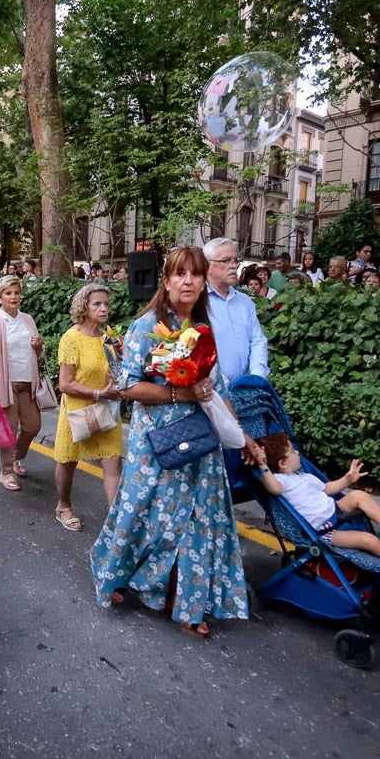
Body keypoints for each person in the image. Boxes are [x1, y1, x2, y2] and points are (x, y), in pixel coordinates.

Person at [90, 246, 250, 638]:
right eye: (180, 274)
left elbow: (220, 386)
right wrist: (181, 395)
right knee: (141, 513)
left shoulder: (205, 330)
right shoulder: (146, 327)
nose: (189, 281)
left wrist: (243, 435)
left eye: (195, 274)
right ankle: (116, 576)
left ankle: (191, 603)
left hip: (201, 442)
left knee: (199, 520)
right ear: (166, 281)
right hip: (157, 443)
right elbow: (127, 385)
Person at [252, 432, 380, 587]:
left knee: (359, 496)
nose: (297, 453)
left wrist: (347, 479)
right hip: (327, 530)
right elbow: (272, 488)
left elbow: (327, 489)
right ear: (282, 464)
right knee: (368, 540)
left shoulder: (304, 477)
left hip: (336, 510)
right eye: (292, 452)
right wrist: (262, 465)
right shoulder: (282, 481)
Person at [53, 283, 122, 532]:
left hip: (107, 409)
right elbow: (65, 384)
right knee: (68, 461)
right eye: (97, 304)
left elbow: (116, 370)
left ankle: (116, 521)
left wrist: (118, 385)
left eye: (106, 304)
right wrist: (96, 392)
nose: (104, 308)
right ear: (84, 307)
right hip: (77, 412)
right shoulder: (71, 338)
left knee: (114, 461)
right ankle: (63, 506)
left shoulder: (110, 338)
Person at [0, 275, 44, 491]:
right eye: (8, 293)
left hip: (27, 383)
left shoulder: (27, 319)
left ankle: (17, 457)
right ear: (0, 297)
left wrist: (38, 347)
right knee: (8, 429)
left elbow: (39, 354)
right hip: (5, 385)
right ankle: (6, 472)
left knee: (33, 425)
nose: (13, 296)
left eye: (16, 292)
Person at [203, 238, 269, 386]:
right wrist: (225, 386)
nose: (233, 266)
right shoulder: (198, 303)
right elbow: (198, 353)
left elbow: (257, 341)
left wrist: (257, 378)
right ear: (208, 266)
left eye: (235, 260)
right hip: (212, 392)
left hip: (246, 388)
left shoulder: (245, 302)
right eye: (226, 261)